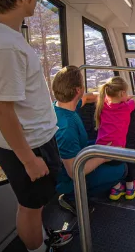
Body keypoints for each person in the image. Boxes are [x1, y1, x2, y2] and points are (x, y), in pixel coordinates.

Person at [0, 0, 72, 252]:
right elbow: (2, 110)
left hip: (33, 140)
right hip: (27, 146)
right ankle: (37, 249)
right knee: (30, 208)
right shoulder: (6, 45)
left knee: (37, 203)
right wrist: (29, 160)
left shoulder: (3, 34)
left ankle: (42, 239)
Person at [51, 66, 127, 215]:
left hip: (76, 154)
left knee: (101, 145)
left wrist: (110, 98)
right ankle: (71, 197)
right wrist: (105, 157)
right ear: (77, 90)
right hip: (68, 178)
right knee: (121, 168)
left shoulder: (61, 106)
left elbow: (86, 97)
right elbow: (74, 171)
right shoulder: (66, 128)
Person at [92, 76, 135, 200]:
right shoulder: (125, 107)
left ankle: (117, 187)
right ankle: (130, 187)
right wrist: (128, 98)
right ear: (122, 93)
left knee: (109, 167)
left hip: (99, 150)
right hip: (116, 152)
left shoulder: (102, 104)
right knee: (129, 157)